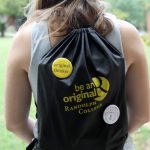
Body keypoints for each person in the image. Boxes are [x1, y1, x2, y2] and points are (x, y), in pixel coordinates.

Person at [4, 0, 150, 149]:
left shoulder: (26, 39)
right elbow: (142, 114)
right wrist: (109, 137)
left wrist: (55, 138)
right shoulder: (126, 33)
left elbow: (15, 123)